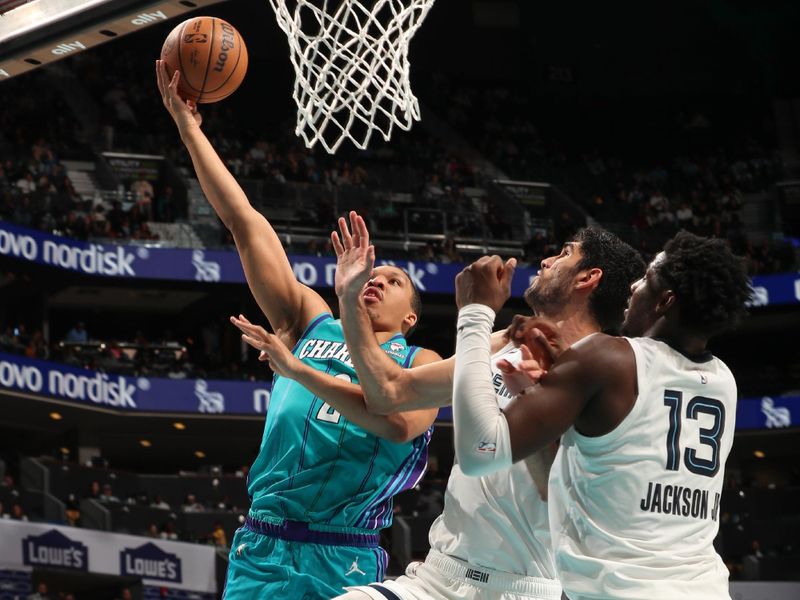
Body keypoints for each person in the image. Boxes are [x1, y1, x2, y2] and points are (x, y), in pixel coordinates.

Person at [156, 62, 441, 599]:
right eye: (372, 273)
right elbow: (244, 223)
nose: (378, 279)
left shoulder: (421, 362)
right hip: (261, 546)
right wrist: (189, 129)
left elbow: (400, 425)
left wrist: (296, 370)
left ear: (410, 317)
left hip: (345, 554)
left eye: (394, 279)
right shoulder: (309, 321)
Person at [250, 215, 644, 600]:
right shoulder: (504, 342)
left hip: (522, 586)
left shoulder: (606, 372)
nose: (545, 260)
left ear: (587, 277)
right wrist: (350, 297)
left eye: (564, 254)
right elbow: (389, 392)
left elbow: (559, 498)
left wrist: (528, 397)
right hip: (438, 575)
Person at [451, 232, 750, 599]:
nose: (634, 286)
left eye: (647, 280)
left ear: (665, 300)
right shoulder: (723, 380)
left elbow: (480, 450)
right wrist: (537, 389)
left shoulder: (608, 358)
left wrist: (474, 314)